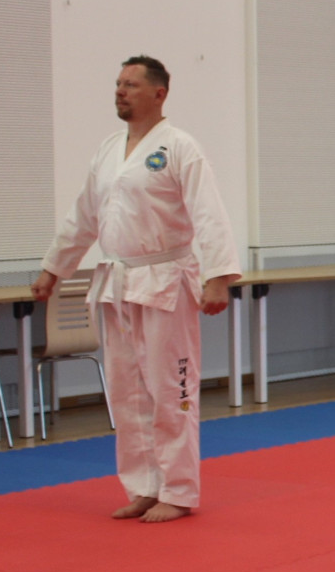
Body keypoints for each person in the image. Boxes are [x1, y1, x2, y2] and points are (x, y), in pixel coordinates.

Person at [36, 55, 240, 523]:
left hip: (167, 280)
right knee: (128, 393)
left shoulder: (180, 147)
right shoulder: (109, 150)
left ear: (159, 93)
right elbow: (83, 216)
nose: (120, 91)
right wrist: (54, 268)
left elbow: (209, 213)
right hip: (117, 282)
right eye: (118, 83)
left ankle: (179, 490)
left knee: (172, 390)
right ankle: (145, 486)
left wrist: (218, 277)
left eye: (130, 84)